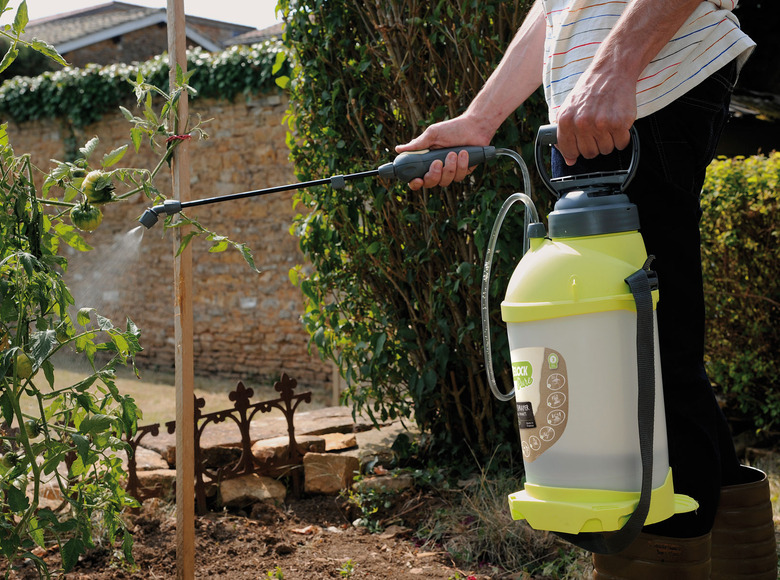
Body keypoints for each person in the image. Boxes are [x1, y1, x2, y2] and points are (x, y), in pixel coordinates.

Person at [397, 1, 769, 578]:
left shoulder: (623, 77)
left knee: (647, 373)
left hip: (648, 86)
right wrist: (479, 120)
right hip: (602, 105)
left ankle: (672, 546)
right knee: (654, 358)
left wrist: (614, 66)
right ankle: (739, 559)